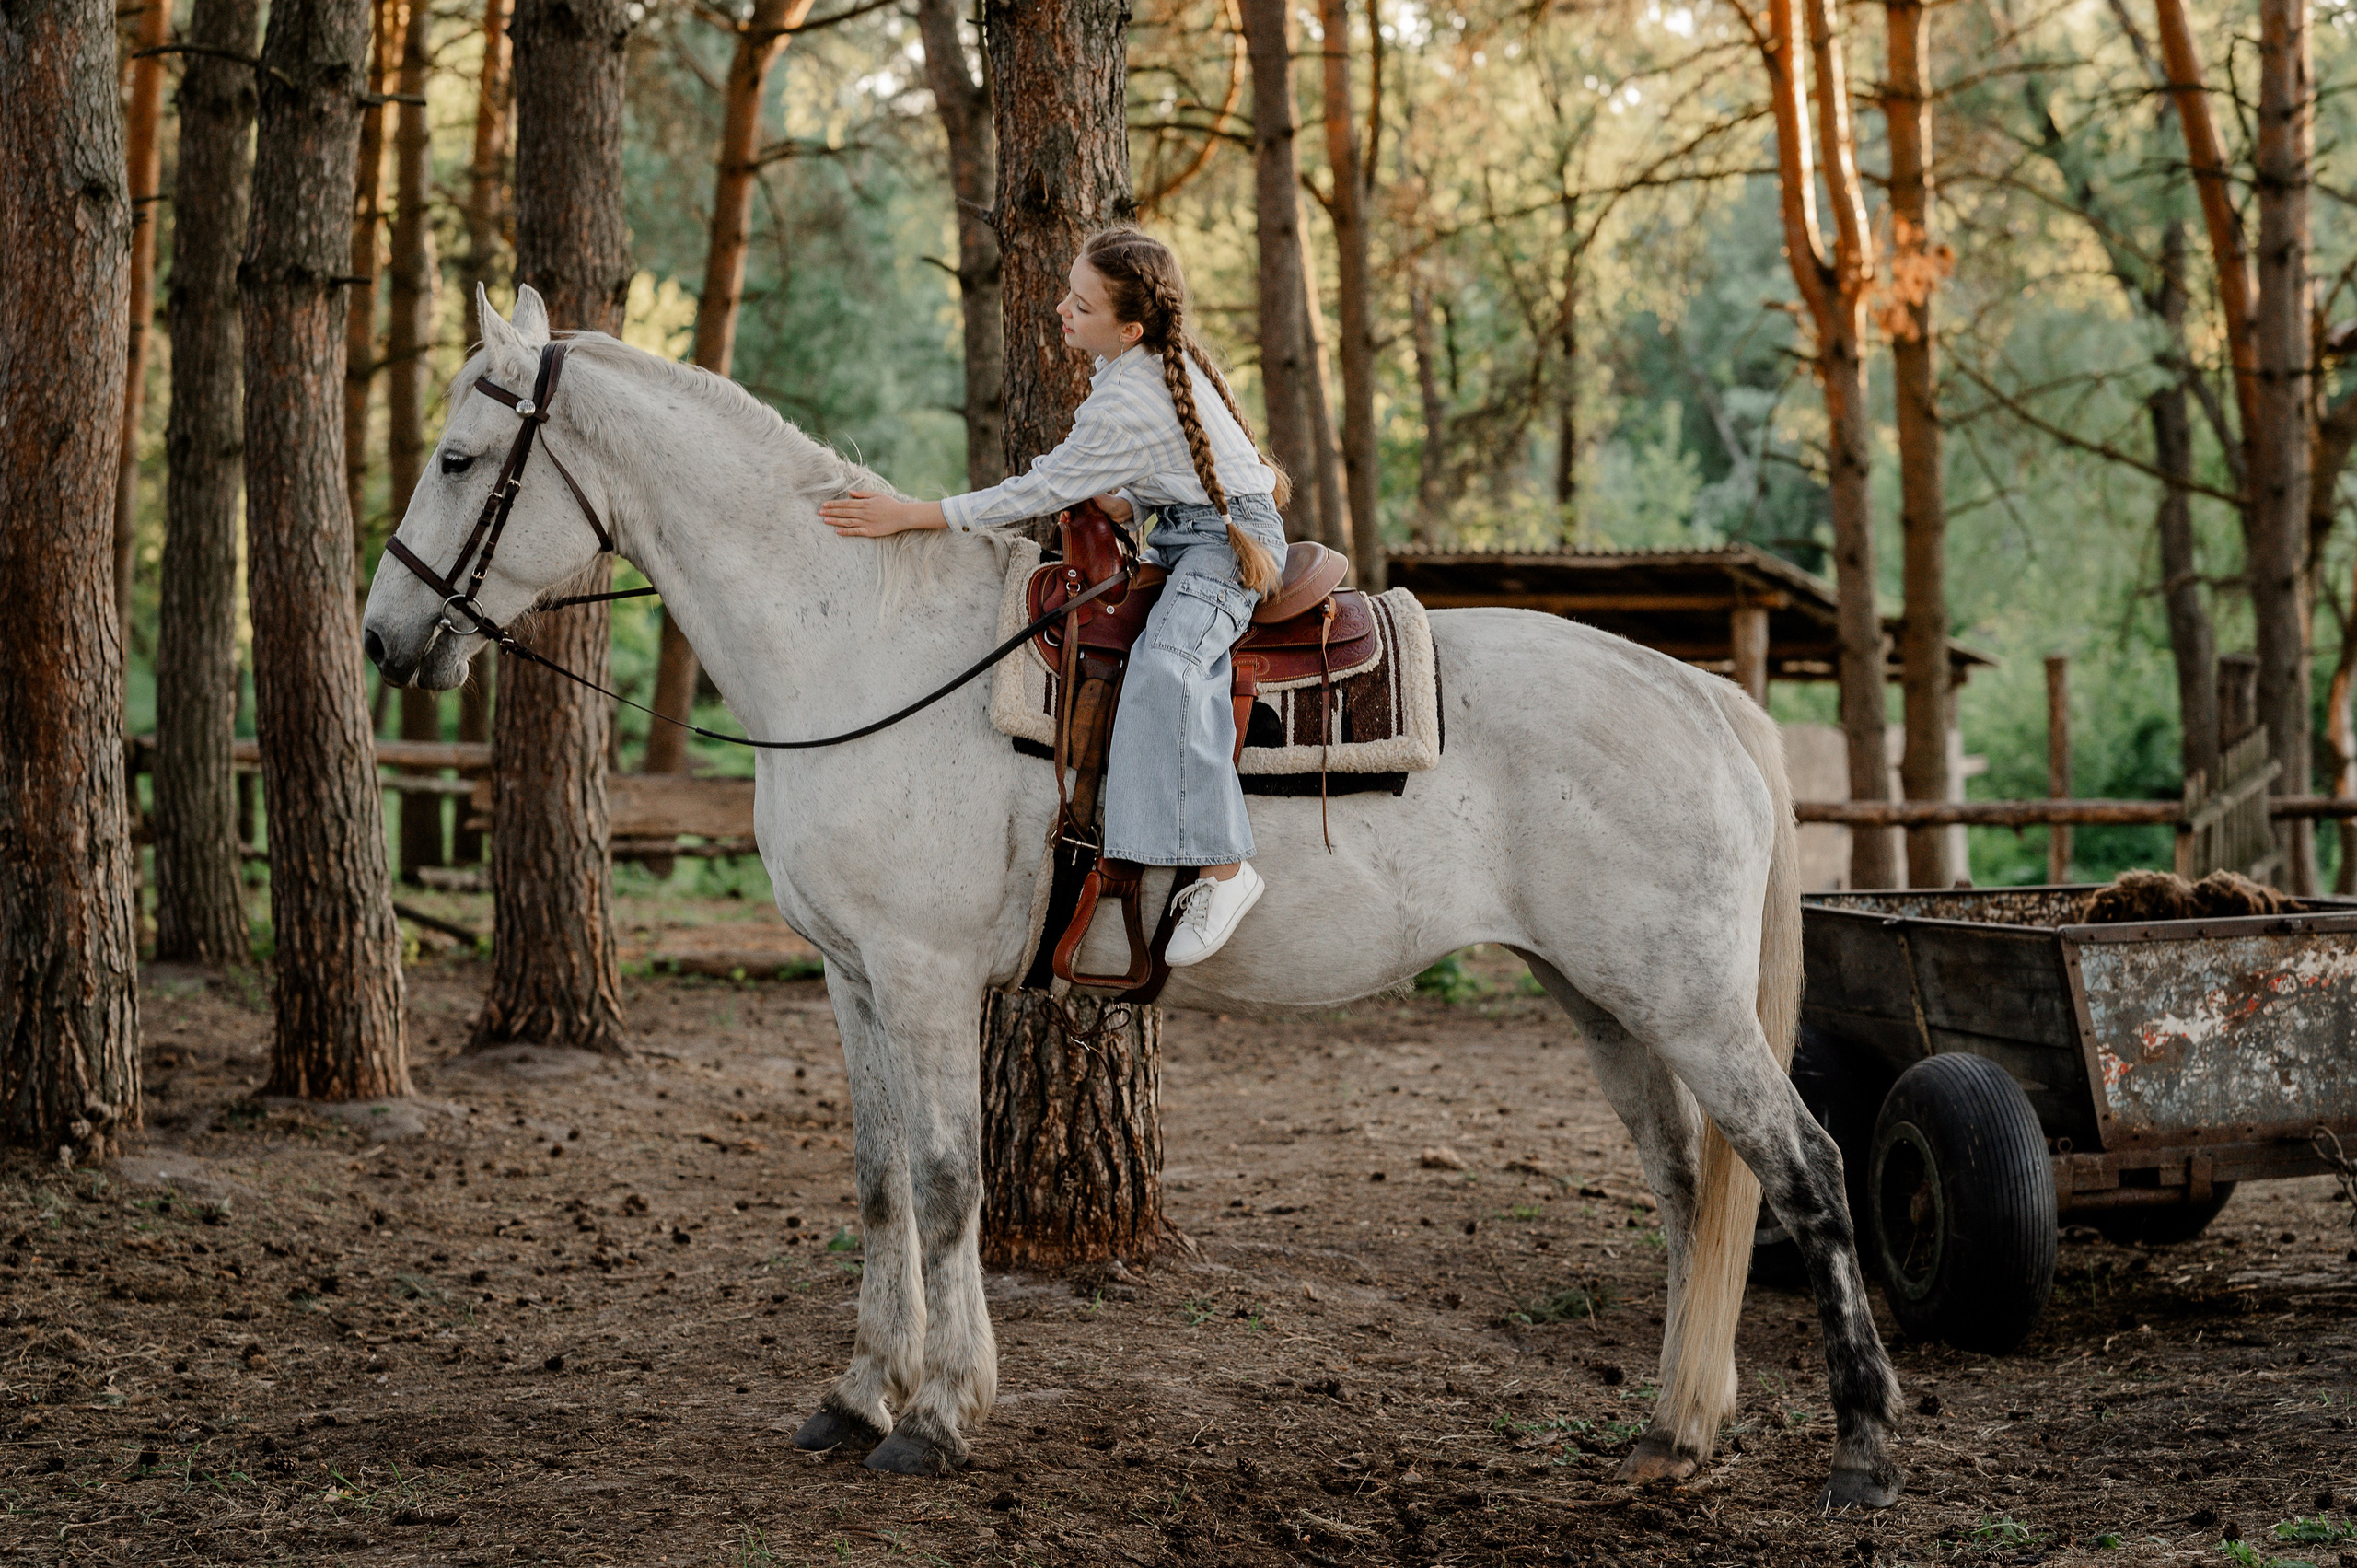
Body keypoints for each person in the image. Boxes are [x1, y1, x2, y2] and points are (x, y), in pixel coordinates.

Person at [819, 226, 1288, 968]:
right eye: (1068, 291)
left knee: (1167, 669)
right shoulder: (1131, 367)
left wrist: (911, 515)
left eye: (1081, 302)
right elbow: (1159, 478)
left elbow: (1032, 491)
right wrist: (1124, 506)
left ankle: (1225, 868)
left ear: (1129, 326)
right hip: (1182, 534)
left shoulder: (1129, 391)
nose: (1060, 310)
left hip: (1226, 550)